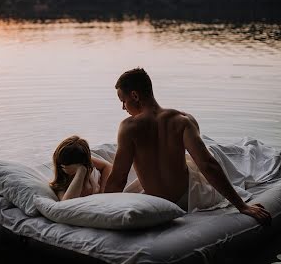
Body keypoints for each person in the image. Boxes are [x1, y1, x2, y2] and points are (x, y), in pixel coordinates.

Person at [104, 67, 272, 225]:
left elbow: (118, 178)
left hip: (155, 200)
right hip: (187, 198)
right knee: (207, 154)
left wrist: (102, 210)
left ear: (134, 96)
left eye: (123, 101)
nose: (123, 107)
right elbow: (207, 164)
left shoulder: (129, 127)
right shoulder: (183, 120)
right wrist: (241, 205)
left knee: (207, 154)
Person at [50, 135, 112, 201]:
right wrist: (81, 171)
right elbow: (66, 202)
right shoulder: (62, 182)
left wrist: (103, 191)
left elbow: (107, 166)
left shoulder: (88, 163)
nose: (64, 166)